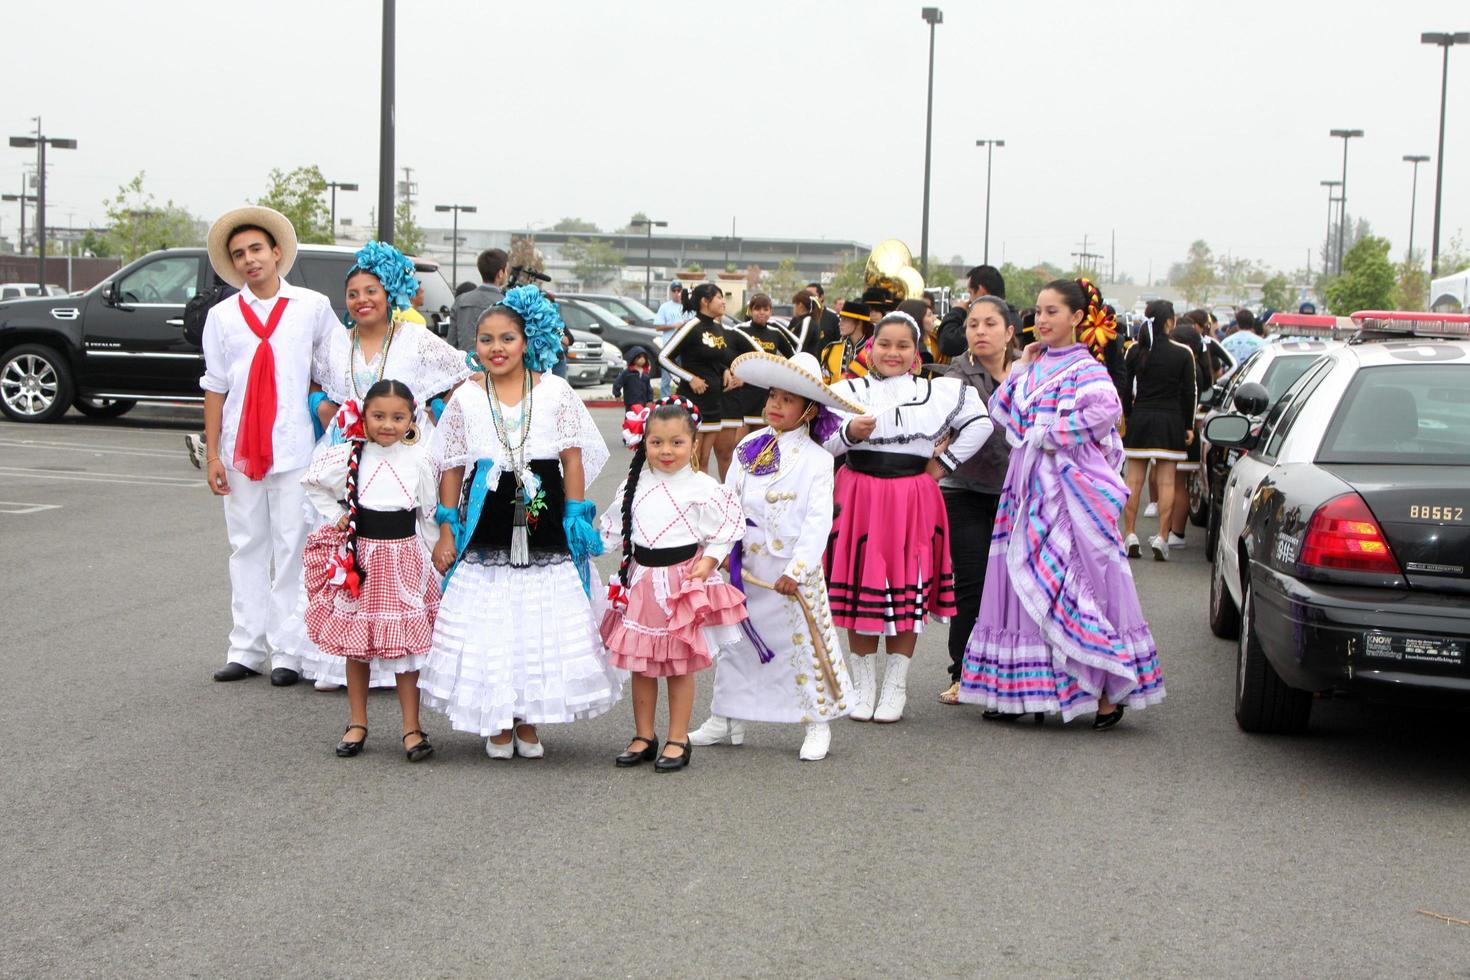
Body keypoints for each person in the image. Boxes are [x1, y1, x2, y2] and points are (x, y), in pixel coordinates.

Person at [419, 286, 621, 759]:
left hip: (545, 512)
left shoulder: (555, 390)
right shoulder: (466, 396)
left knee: (539, 618)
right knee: (493, 620)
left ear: (526, 341)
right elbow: (450, 464)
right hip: (487, 517)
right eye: (486, 339)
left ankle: (529, 721)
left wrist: (575, 514)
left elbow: (572, 457)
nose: (496, 348)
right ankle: (497, 721)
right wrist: (447, 527)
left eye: (506, 338)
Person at [958, 278, 1165, 729]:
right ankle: (1021, 691)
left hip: (1068, 494)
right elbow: (1000, 413)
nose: (1043, 320)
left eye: (1053, 311)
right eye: (1038, 311)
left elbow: (1104, 412)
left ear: (1076, 317)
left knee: (1075, 584)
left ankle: (1104, 688)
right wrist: (1021, 370)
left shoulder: (1088, 369)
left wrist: (1047, 434)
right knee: (1021, 580)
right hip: (1027, 486)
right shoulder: (1032, 366)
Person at [299, 242, 471, 691]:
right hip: (351, 449)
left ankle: (408, 653)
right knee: (352, 549)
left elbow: (459, 376)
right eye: (353, 293)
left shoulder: (414, 338)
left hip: (406, 450)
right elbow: (316, 381)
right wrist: (322, 406)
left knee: (408, 549)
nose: (361, 300)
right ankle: (350, 652)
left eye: (370, 290)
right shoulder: (338, 340)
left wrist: (440, 415)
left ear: (389, 292)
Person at [688, 352, 860, 761]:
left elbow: (818, 522)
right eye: (773, 397)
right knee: (738, 643)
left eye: (788, 400)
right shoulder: (749, 445)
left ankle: (816, 721)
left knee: (805, 645)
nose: (776, 406)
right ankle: (726, 717)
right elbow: (728, 502)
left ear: (809, 411)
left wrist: (798, 571)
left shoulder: (818, 460)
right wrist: (713, 548)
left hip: (787, 573)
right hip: (744, 568)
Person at [822, 311, 993, 723]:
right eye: (884, 344)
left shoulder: (939, 392)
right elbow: (819, 443)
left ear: (916, 352)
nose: (892, 353)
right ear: (871, 347)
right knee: (861, 582)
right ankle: (863, 688)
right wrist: (848, 436)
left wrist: (942, 465)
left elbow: (981, 424)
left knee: (906, 585)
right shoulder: (845, 390)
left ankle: (895, 686)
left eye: (903, 346)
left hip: (912, 496)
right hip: (857, 492)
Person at [200, 206, 340, 687]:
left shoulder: (312, 307)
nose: (249, 260)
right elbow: (215, 385)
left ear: (276, 252)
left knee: (292, 545)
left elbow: (333, 370)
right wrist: (214, 452)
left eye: (256, 249)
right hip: (241, 446)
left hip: (294, 444)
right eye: (239, 254)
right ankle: (246, 647)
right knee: (245, 545)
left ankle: (289, 651)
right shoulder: (221, 317)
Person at [599, 398, 747, 772]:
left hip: (682, 583)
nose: (667, 451)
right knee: (643, 664)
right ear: (643, 442)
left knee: (680, 664)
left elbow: (727, 529)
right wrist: (587, 538)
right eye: (657, 442)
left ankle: (678, 737)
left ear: (694, 444)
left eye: (677, 442)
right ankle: (643, 735)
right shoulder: (635, 484)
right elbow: (614, 532)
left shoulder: (703, 487)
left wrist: (709, 562)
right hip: (643, 583)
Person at [300, 380, 441, 761]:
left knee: (406, 650)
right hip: (360, 561)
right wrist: (338, 516)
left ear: (413, 419)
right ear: (363, 416)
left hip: (404, 560)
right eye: (378, 416)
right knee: (357, 647)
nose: (388, 425)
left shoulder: (421, 459)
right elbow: (312, 484)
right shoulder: (348, 455)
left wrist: (436, 560)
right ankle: (357, 721)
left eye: (398, 417)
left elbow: (428, 515)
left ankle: (411, 727)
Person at [935, 297, 1017, 706]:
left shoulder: (1029, 373)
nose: (979, 331)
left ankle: (1011, 669)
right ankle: (962, 672)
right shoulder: (955, 377)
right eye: (972, 324)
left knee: (1017, 585)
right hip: (965, 492)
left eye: (989, 324)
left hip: (1020, 496)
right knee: (972, 583)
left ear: (1009, 332)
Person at [1120, 299, 1197, 562]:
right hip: (1171, 422)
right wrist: (1188, 425)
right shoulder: (1183, 352)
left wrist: (1127, 418)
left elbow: (1124, 387)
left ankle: (1129, 534)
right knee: (1166, 483)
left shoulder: (1134, 351)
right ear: (1169, 322)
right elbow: (1189, 393)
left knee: (1133, 482)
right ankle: (1162, 538)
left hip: (1140, 419)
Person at [657, 282, 736, 476]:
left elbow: (715, 358)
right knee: (691, 458)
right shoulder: (691, 326)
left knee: (704, 459)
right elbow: (663, 357)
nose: (723, 302)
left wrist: (725, 369)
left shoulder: (718, 328)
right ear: (705, 301)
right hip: (694, 402)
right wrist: (690, 378)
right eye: (719, 297)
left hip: (715, 401)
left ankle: (702, 503)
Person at [727, 292, 798, 435]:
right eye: (757, 309)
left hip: (765, 393)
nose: (762, 313)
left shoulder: (775, 332)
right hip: (742, 392)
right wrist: (735, 374)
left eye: (766, 309)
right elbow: (727, 356)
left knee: (759, 444)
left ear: (770, 311)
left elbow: (793, 356)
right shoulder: (740, 330)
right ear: (751, 311)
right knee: (739, 443)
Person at [937, 264, 1007, 357]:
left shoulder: (983, 320)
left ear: (981, 291)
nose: (969, 300)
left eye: (970, 293)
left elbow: (948, 343)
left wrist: (957, 310)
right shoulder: (1012, 315)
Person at [448, 248, 508, 352]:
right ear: (500, 273)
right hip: (494, 365)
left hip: (464, 365)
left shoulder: (460, 300)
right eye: (506, 270)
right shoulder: (506, 304)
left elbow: (451, 343)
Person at [818, 300, 872, 384]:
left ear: (859, 323)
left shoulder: (873, 352)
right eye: (841, 319)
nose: (840, 324)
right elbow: (824, 383)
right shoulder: (830, 350)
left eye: (845, 320)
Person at [652, 281, 689, 397]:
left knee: (685, 377)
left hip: (684, 347)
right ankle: (665, 401)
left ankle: (683, 400)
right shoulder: (665, 307)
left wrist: (686, 324)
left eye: (679, 290)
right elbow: (658, 326)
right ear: (671, 292)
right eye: (674, 291)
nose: (677, 293)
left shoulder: (687, 306)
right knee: (666, 379)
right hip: (669, 348)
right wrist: (674, 325)